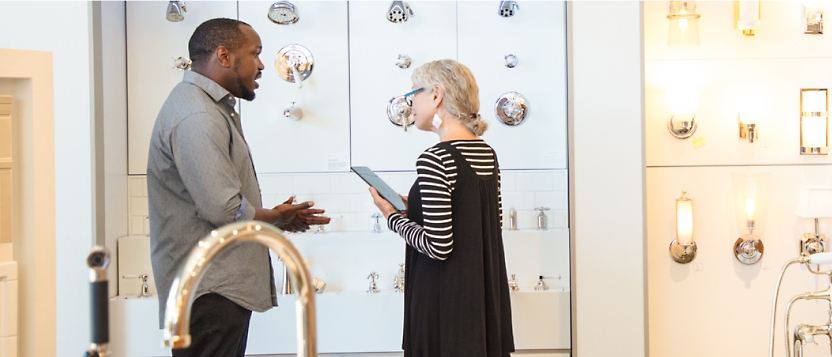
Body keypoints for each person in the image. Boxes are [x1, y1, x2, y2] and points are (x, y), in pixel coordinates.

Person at [147, 18, 330, 357]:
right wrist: (274, 218)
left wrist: (276, 218)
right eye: (256, 54)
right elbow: (225, 209)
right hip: (209, 291)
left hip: (212, 288)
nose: (261, 65)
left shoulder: (206, 108)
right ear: (224, 55)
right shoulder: (196, 115)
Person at [369, 59, 515, 357]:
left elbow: (438, 246)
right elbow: (487, 222)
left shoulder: (435, 158)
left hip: (443, 306)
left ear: (436, 95)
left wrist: (392, 217)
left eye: (413, 94)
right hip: (481, 303)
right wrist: (418, 209)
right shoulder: (486, 152)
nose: (409, 104)